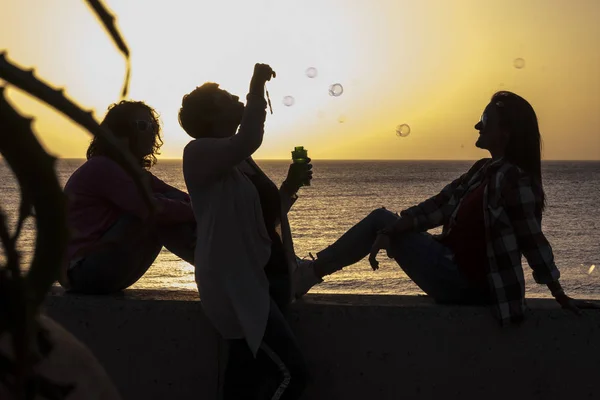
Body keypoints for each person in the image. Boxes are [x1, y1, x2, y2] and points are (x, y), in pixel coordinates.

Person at [294, 90, 599, 325]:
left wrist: (559, 294)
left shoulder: (515, 180)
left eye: (486, 118)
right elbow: (439, 206)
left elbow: (532, 241)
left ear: (505, 132)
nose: (477, 125)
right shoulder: (483, 170)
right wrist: (393, 229)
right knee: (382, 220)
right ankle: (310, 272)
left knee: (378, 219)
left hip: (464, 282)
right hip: (451, 270)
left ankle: (308, 274)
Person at [180, 63, 311, 399]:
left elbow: (264, 220)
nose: (236, 97)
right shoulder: (198, 152)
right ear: (210, 116)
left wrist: (291, 187)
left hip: (265, 278)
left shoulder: (238, 161)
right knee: (293, 375)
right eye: (225, 97)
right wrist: (257, 84)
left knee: (245, 376)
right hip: (237, 285)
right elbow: (250, 136)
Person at [60, 100, 196, 294]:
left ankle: (210, 263)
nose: (151, 131)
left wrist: (199, 209)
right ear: (120, 133)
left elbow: (179, 197)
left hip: (101, 270)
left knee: (165, 201)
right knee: (151, 210)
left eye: (153, 125)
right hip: (82, 271)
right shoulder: (102, 167)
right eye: (142, 125)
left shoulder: (132, 172)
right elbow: (150, 208)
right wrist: (196, 212)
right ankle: (212, 266)